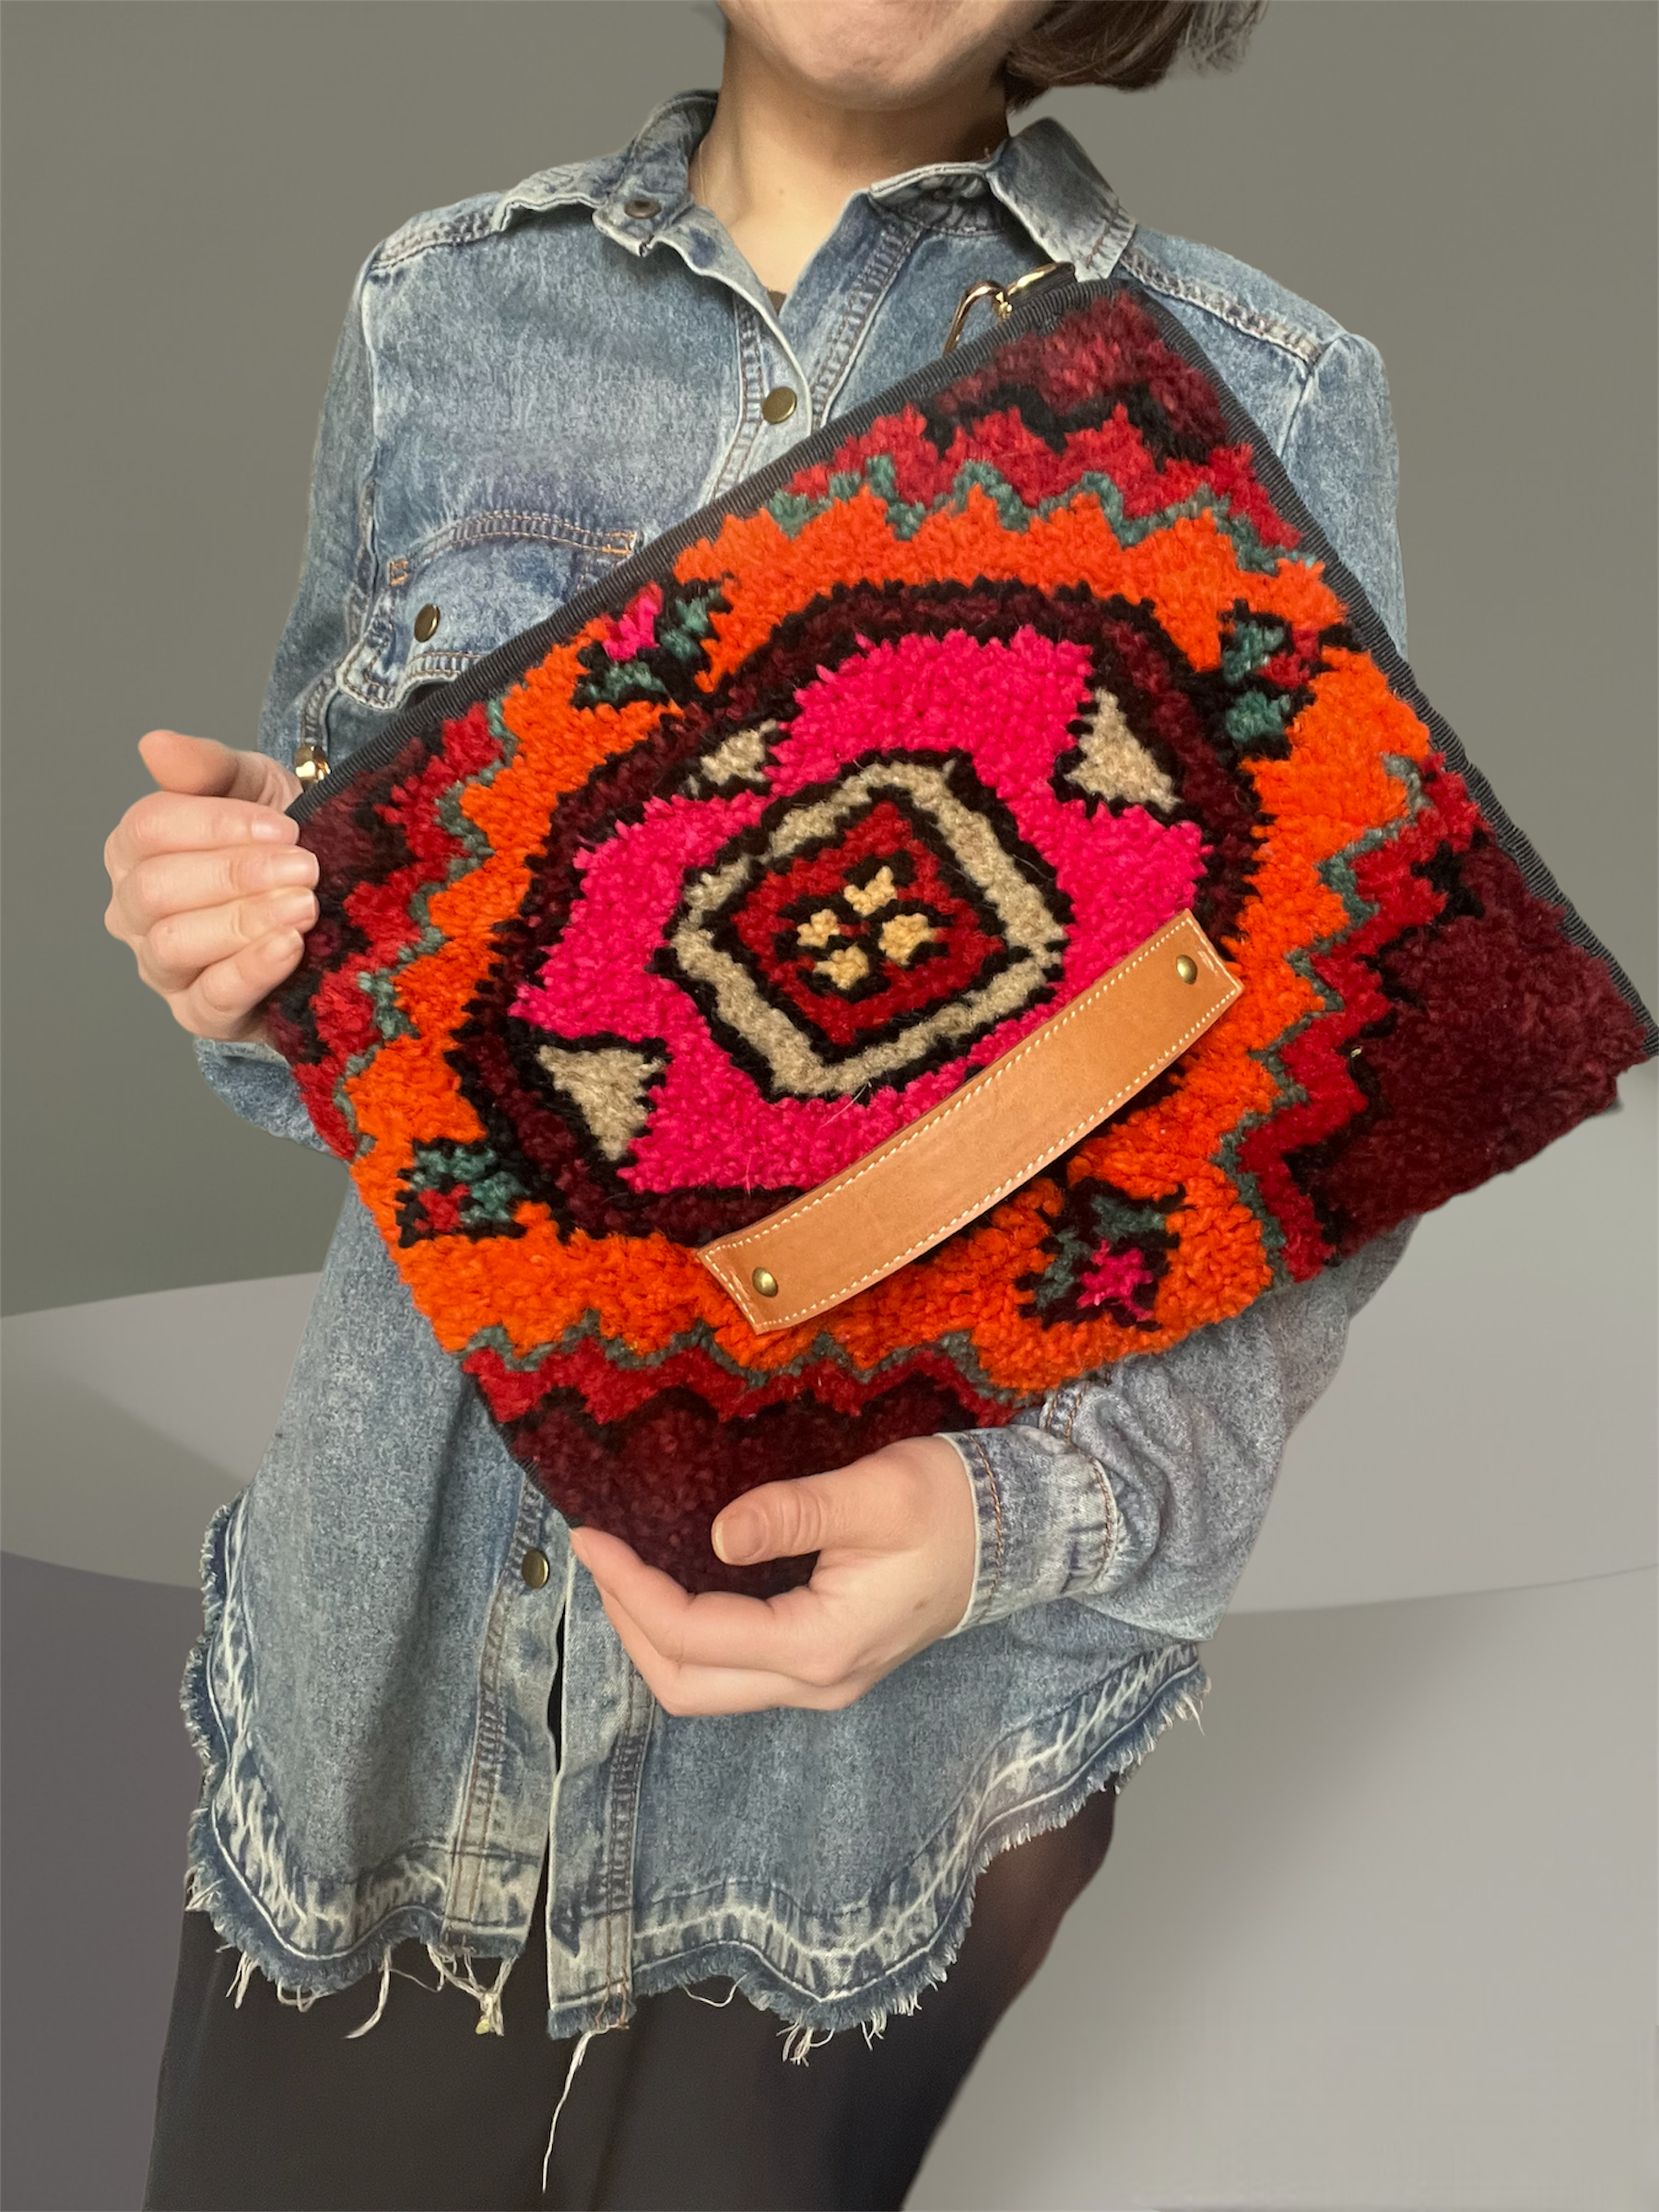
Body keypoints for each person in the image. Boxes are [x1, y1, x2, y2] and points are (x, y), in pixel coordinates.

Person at [106, 3, 1416, 2205]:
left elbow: (1309, 1157)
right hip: (384, 1675)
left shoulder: (1257, 396)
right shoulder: (439, 313)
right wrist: (245, 948)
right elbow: (370, 1072)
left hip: (867, 1772)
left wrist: (1009, 1525)